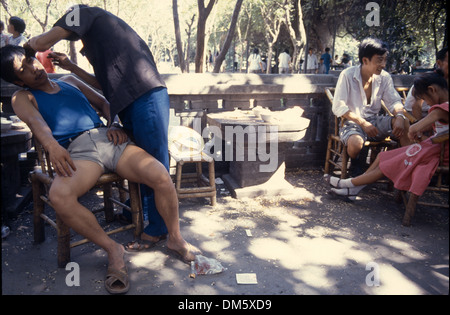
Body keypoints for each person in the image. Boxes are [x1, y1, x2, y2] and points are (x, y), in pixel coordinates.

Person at [0, 45, 200, 294]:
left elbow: (106, 104)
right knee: (59, 195)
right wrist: (51, 145)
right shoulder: (22, 97)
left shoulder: (71, 80)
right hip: (79, 153)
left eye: (30, 60)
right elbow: (36, 123)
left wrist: (115, 122)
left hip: (110, 139)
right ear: (18, 80)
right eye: (24, 69)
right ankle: (113, 249)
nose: (33, 67)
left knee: (160, 174)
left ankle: (175, 238)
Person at [24, 5, 171, 249]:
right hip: (125, 104)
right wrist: (71, 67)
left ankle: (158, 229)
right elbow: (104, 86)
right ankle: (145, 213)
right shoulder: (96, 39)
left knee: (155, 162)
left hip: (144, 94)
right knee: (144, 165)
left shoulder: (82, 12)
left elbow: (42, 42)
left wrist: (27, 48)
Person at [326, 71, 448, 225]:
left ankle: (348, 183)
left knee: (386, 164)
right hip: (433, 148)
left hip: (438, 154)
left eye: (425, 100)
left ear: (432, 90)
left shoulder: (440, 110)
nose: (427, 104)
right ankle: (354, 188)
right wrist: (417, 133)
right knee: (381, 157)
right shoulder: (442, 108)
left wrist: (414, 131)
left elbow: (414, 128)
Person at [332, 38, 411, 177]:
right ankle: (356, 164)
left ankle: (409, 168)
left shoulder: (384, 77)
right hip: (353, 122)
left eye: (385, 60)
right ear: (365, 60)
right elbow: (339, 106)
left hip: (375, 122)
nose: (383, 64)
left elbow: (393, 101)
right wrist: (363, 123)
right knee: (356, 144)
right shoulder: (347, 75)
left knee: (403, 123)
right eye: (379, 60)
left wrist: (399, 116)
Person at [404, 47, 448, 121]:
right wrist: (419, 129)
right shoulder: (426, 80)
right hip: (416, 117)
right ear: (439, 63)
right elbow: (416, 107)